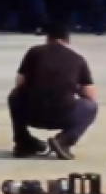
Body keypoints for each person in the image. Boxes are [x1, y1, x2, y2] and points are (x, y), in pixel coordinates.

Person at [6, 23, 99, 160]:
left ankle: (23, 140)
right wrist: (74, 88)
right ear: (67, 40)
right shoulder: (78, 59)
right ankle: (64, 140)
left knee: (15, 95)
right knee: (90, 106)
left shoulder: (35, 52)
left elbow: (20, 82)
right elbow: (90, 94)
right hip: (62, 115)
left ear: (47, 38)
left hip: (32, 114)